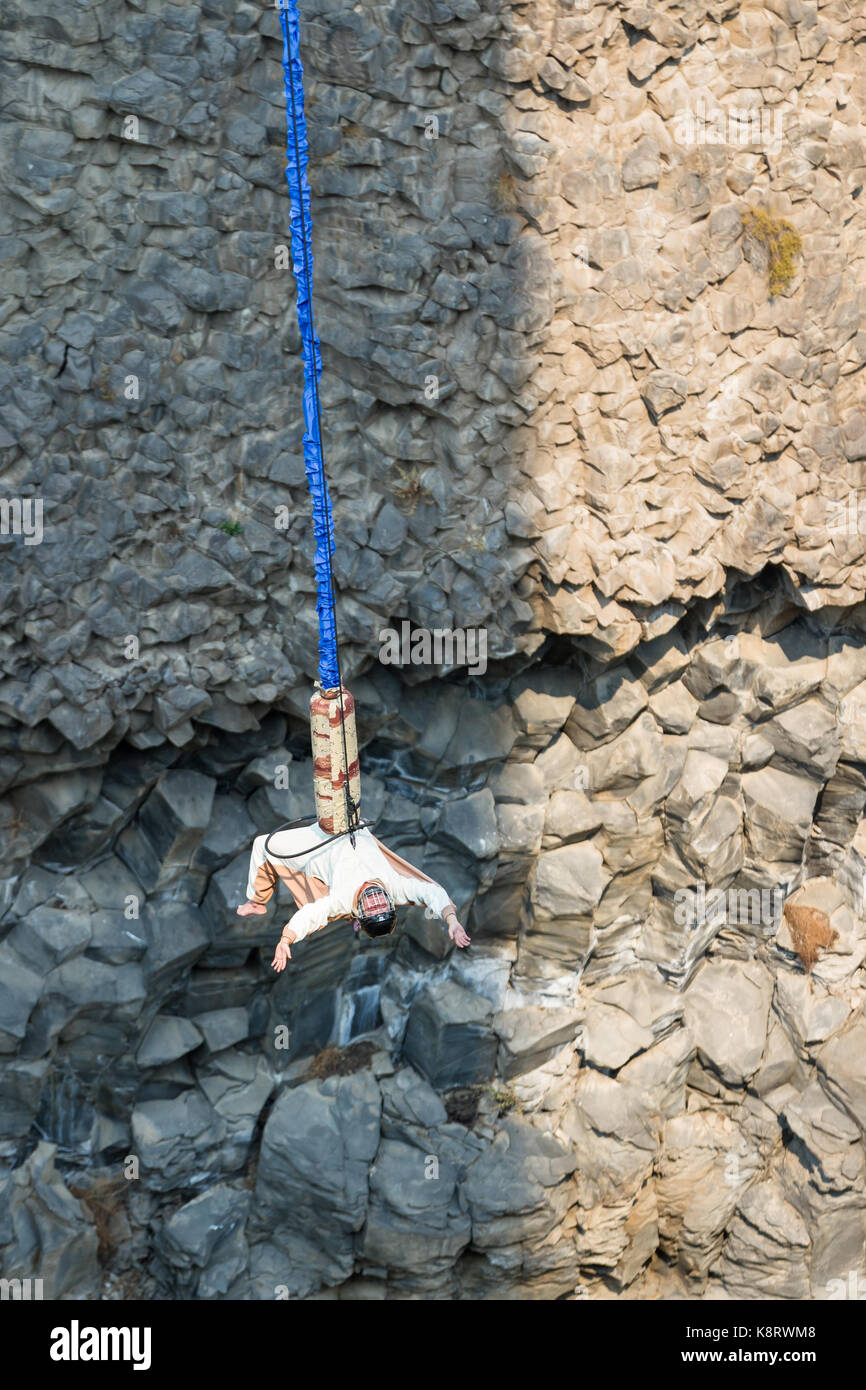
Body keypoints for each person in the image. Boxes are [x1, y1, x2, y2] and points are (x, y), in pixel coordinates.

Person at [237, 822, 471, 972]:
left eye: (372, 908)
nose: (376, 899)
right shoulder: (395, 887)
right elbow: (430, 892)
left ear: (361, 911)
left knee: (263, 845)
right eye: (382, 905)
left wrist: (286, 939)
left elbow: (311, 915)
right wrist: (452, 920)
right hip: (352, 822)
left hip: (320, 842)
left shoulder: (343, 900)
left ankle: (257, 901)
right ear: (390, 903)